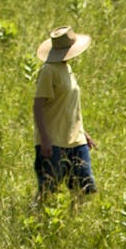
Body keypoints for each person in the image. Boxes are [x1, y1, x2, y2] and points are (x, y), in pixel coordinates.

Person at [32, 25, 98, 201]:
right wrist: (45, 140)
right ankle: (35, 220)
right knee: (48, 191)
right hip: (53, 142)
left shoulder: (67, 69)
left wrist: (84, 133)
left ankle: (75, 221)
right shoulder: (49, 71)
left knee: (85, 188)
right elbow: (38, 106)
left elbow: (68, 106)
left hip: (76, 141)